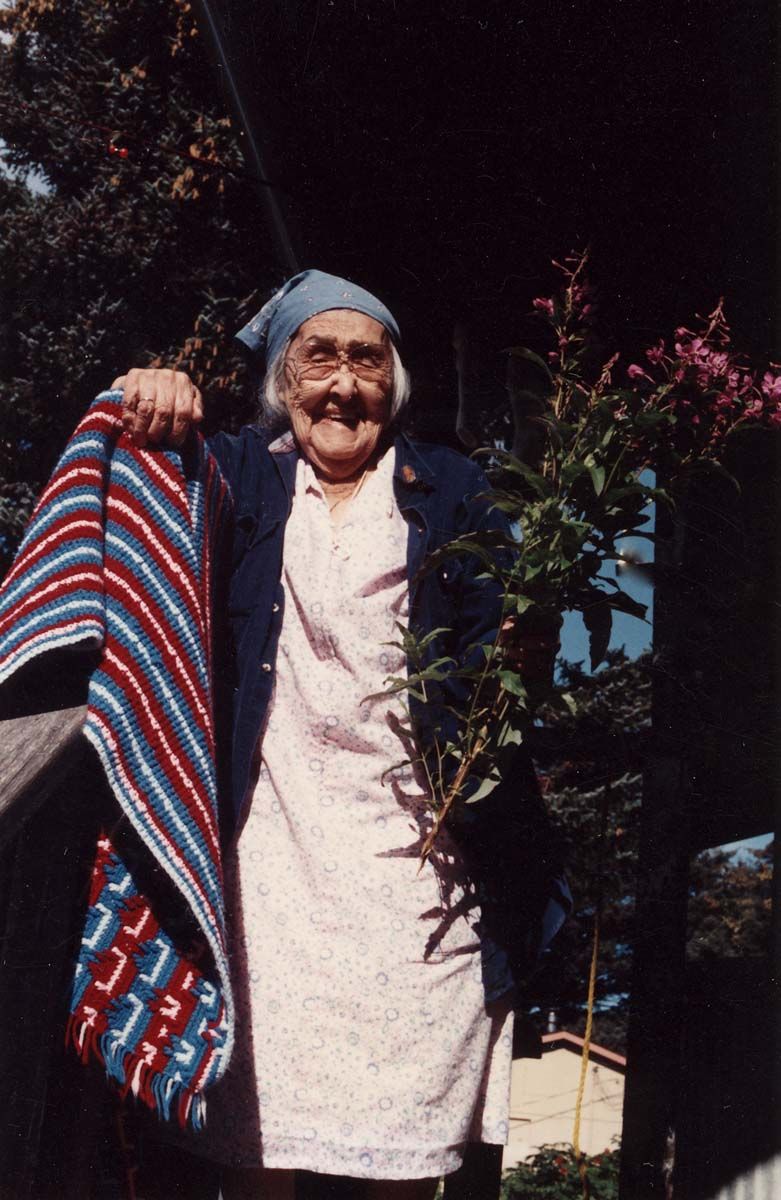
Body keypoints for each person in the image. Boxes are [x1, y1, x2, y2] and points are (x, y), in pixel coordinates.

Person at [113, 270, 566, 1200]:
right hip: (273, 853)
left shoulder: (453, 490)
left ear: (392, 386)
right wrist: (141, 384)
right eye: (321, 358)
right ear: (284, 381)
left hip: (420, 863)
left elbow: (504, 653)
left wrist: (522, 644)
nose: (345, 385)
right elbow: (122, 459)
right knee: (262, 1130)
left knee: (405, 1125)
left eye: (368, 361)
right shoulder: (235, 470)